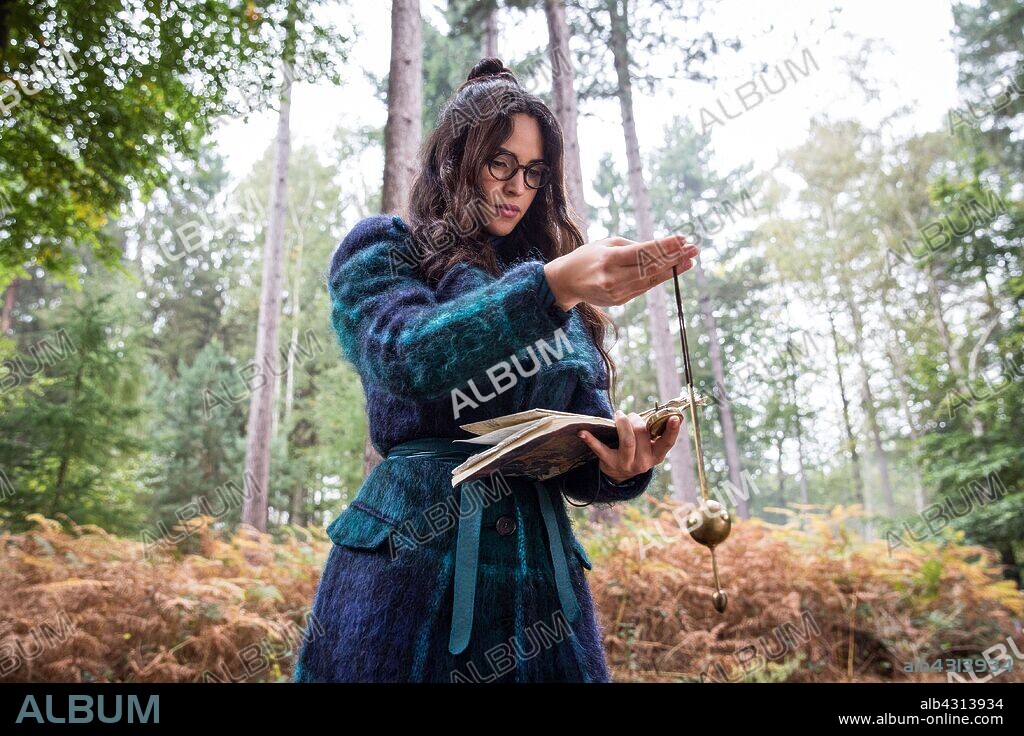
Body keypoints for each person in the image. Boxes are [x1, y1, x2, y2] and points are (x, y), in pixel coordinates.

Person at [292, 57, 699, 683]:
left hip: (541, 580)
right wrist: (551, 287)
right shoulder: (385, 249)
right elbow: (407, 354)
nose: (516, 186)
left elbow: (577, 436)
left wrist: (622, 465)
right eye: (499, 163)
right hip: (411, 568)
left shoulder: (554, 287)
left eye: (533, 173)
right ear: (456, 159)